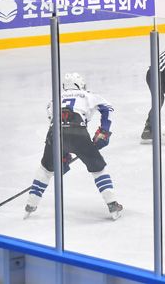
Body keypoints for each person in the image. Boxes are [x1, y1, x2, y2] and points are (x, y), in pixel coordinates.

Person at [24, 73, 122, 220]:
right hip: (79, 133)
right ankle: (112, 204)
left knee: (45, 170)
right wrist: (104, 130)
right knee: (98, 169)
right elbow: (107, 108)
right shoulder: (87, 95)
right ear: (80, 85)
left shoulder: (54, 99)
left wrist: (63, 154)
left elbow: (54, 121)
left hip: (54, 134)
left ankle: (30, 205)